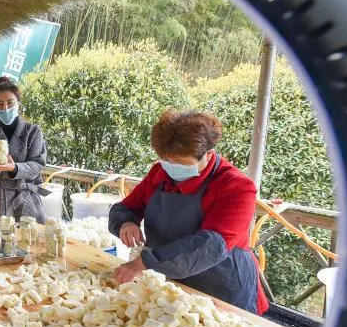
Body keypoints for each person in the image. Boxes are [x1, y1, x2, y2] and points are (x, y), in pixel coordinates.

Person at [108, 109, 269, 314]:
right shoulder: (160, 173)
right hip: (171, 280)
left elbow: (210, 245)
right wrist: (126, 222)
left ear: (208, 155)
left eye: (181, 163)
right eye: (167, 160)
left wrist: (145, 261)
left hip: (221, 287)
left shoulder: (236, 186)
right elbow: (126, 207)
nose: (172, 167)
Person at [0, 77, 48, 222]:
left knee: (27, 234)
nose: (5, 108)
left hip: (26, 198)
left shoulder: (33, 131)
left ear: (18, 103)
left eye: (10, 103)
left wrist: (14, 168)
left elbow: (38, 165)